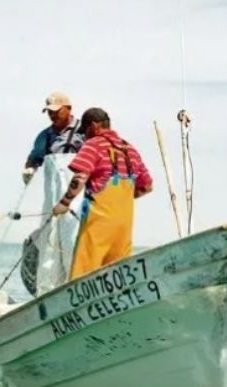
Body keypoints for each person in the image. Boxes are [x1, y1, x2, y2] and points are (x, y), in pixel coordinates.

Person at [52, 107, 153, 279]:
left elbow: (81, 176)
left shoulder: (93, 144)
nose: (84, 136)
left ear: (94, 126)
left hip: (98, 227)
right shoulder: (130, 150)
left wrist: (64, 203)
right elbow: (147, 186)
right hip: (123, 227)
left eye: (85, 132)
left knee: (83, 276)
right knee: (117, 277)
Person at [22, 91, 85, 184]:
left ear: (69, 108)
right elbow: (34, 158)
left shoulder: (84, 129)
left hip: (81, 186)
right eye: (50, 112)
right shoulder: (45, 135)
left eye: (56, 111)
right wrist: (29, 170)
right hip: (55, 188)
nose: (53, 115)